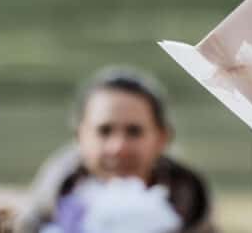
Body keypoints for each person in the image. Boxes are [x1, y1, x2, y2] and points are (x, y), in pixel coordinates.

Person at [16, 68, 217, 233]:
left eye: (134, 132)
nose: (118, 147)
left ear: (162, 138)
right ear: (80, 137)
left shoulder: (192, 204)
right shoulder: (52, 198)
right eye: (104, 131)